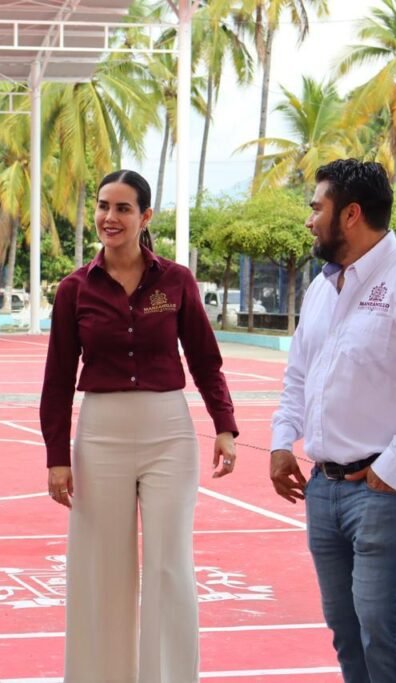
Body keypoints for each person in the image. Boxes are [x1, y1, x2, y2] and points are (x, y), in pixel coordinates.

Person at [270, 159, 396, 683]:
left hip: (389, 488)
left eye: (317, 207)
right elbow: (299, 375)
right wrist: (281, 442)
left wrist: (394, 464)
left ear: (351, 214)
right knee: (345, 629)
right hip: (324, 487)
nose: (309, 219)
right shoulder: (322, 289)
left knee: (383, 629)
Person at [39, 169, 239, 682]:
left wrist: (224, 425)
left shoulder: (176, 281)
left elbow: (205, 359)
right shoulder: (74, 289)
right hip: (99, 435)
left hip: (168, 433)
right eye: (103, 206)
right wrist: (57, 458)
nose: (110, 217)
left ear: (145, 216)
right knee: (101, 567)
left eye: (123, 208)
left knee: (169, 563)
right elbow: (57, 380)